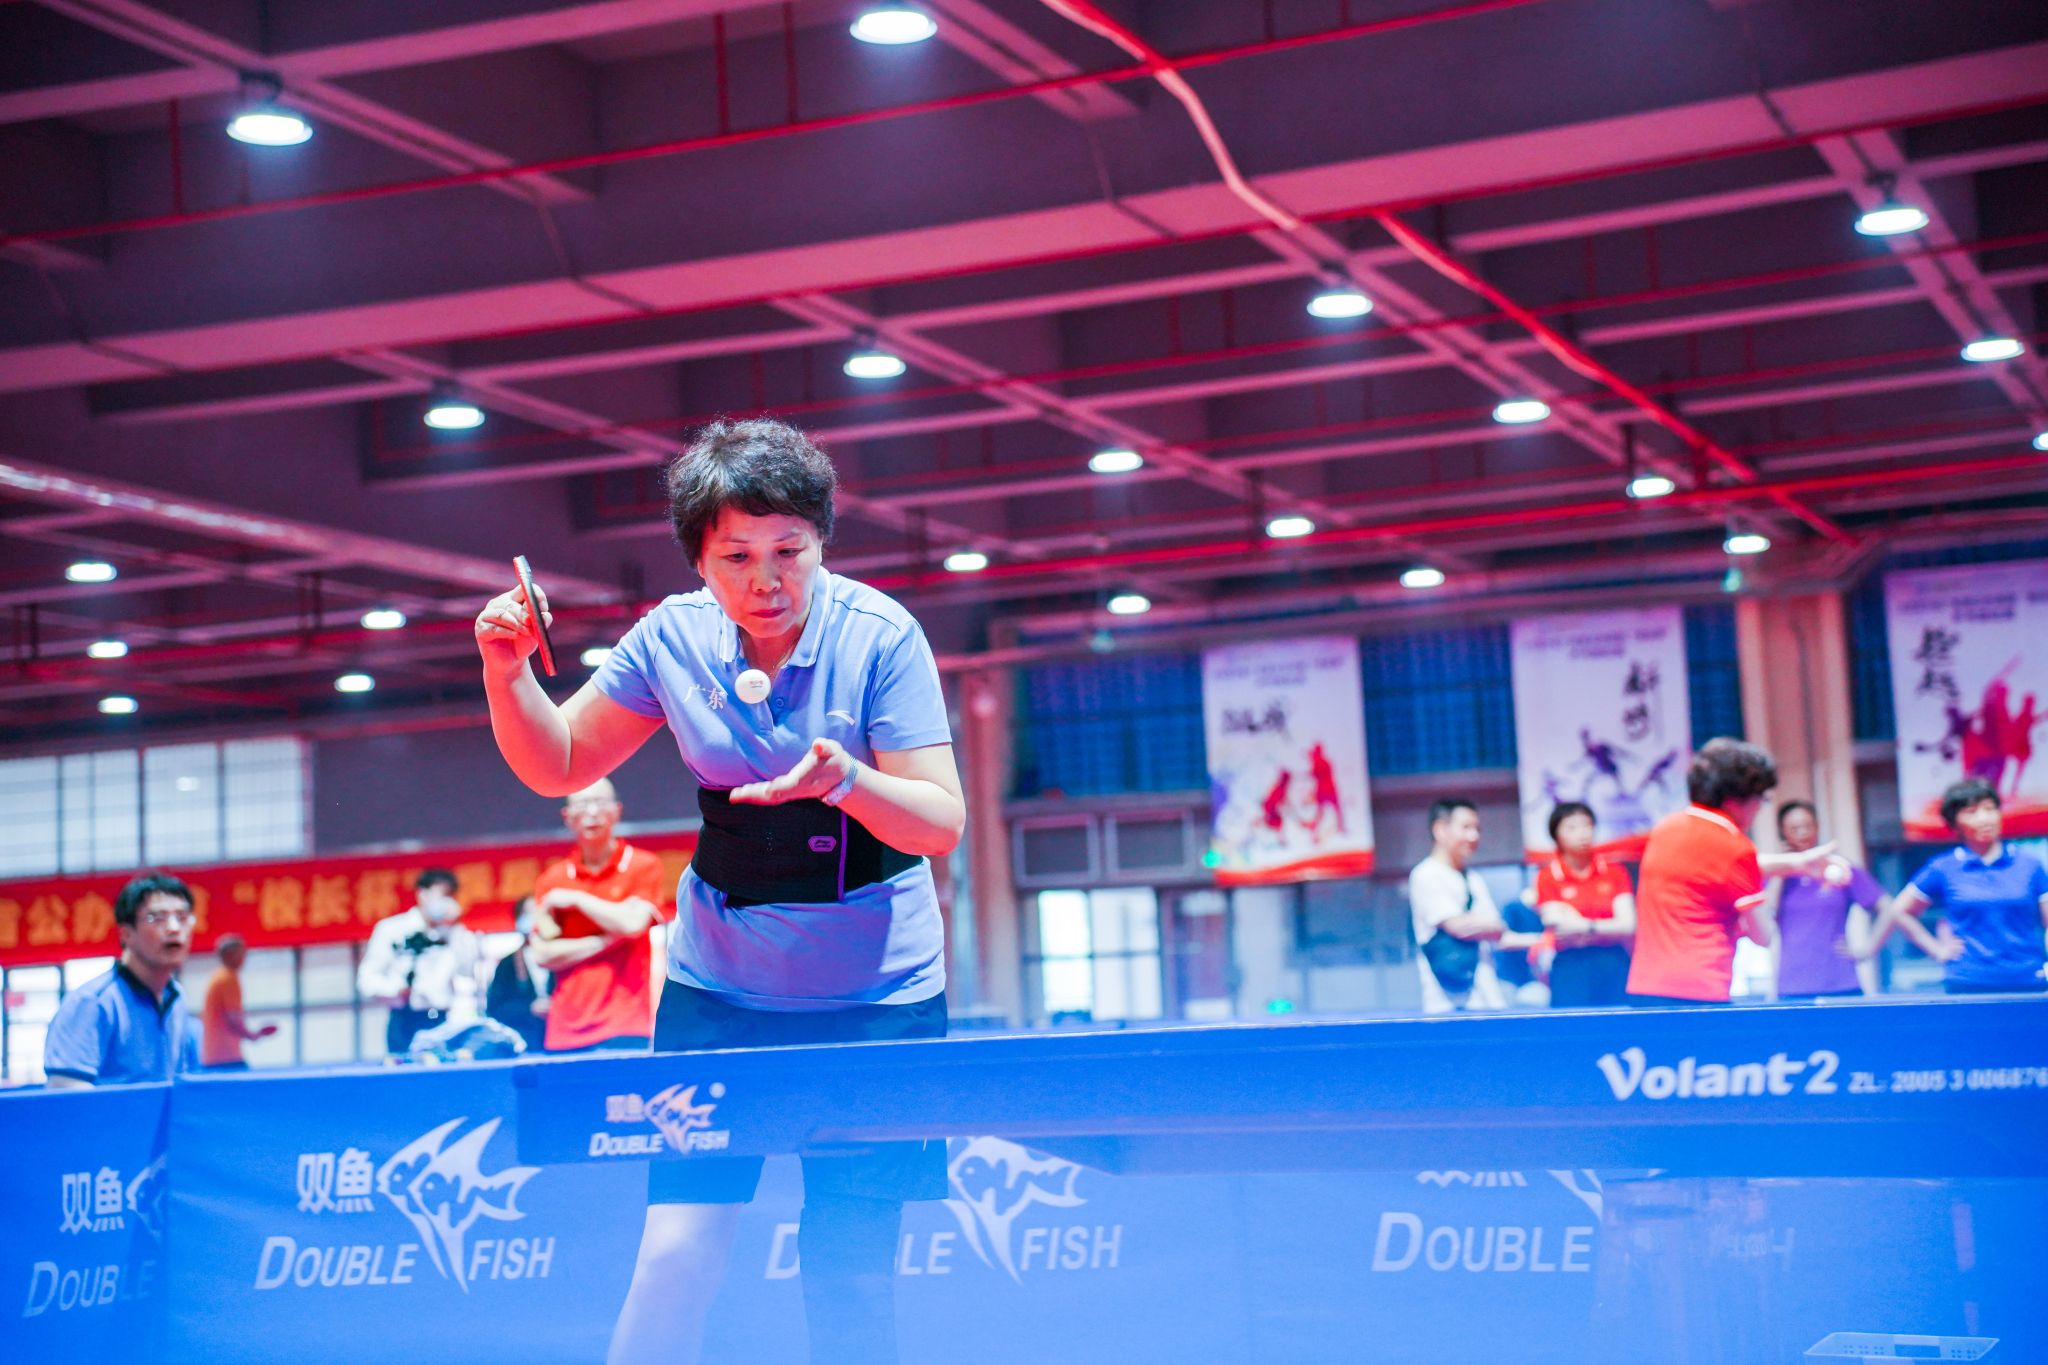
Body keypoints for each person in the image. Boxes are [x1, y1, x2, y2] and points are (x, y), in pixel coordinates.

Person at [474, 418, 964, 1365]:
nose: (767, 579)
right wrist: (506, 673)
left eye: (790, 550)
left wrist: (848, 780)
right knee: (674, 1256)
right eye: (737, 555)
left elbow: (939, 824)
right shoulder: (672, 637)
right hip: (721, 996)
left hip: (878, 1001)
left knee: (851, 1272)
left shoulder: (881, 637)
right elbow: (560, 761)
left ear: (821, 544)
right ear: (699, 561)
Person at [1626, 739, 1840, 1006]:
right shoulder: (1736, 848)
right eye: (1760, 798)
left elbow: (1712, 870)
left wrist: (1797, 863)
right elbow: (1763, 937)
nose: (1760, 808)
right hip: (1701, 990)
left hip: (1645, 987)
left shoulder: (1665, 829)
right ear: (1735, 800)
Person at [1861, 779, 2048, 994]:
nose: (1984, 818)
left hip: (2029, 979)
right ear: (1955, 823)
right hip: (1967, 981)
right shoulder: (1943, 867)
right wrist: (1937, 950)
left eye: (1990, 809)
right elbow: (1898, 911)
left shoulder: (2029, 864)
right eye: (1971, 812)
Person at [526, 779, 672, 1053]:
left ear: (617, 811)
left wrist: (578, 900)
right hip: (564, 1030)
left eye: (600, 803)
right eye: (582, 805)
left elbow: (633, 924)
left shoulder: (642, 865)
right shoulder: (552, 879)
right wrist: (608, 939)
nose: (592, 812)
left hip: (624, 1025)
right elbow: (542, 954)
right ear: (567, 817)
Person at [43, 872, 202, 1088]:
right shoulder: (92, 1003)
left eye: (182, 917)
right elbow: (66, 1092)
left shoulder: (176, 998)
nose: (174, 928)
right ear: (126, 934)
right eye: (156, 918)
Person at [355, 868, 486, 1055]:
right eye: (441, 895)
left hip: (441, 1020)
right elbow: (366, 979)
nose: (446, 902)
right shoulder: (393, 929)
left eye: (450, 896)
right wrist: (395, 990)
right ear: (422, 894)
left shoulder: (455, 933)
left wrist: (456, 928)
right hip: (404, 1018)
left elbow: (468, 971)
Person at [1769, 801, 1889, 1002]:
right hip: (1793, 985)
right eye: (1795, 828)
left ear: (1817, 826)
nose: (1803, 833)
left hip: (1840, 982)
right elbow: (1768, 913)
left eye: (1808, 826)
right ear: (1783, 832)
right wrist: (1783, 868)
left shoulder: (1841, 868)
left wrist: (1866, 950)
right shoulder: (1777, 876)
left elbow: (1888, 908)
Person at [1409, 797, 1512, 1014]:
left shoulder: (1473, 878)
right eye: (1466, 827)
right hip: (1447, 1002)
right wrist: (1491, 926)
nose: (1474, 836)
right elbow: (1458, 927)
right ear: (1440, 830)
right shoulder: (1425, 874)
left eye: (1477, 829)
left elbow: (1498, 932)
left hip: (1487, 996)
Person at [1530, 802, 1635, 1008]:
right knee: (1571, 1025)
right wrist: (1608, 927)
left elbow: (1628, 925)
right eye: (1572, 828)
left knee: (1619, 1023)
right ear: (1556, 835)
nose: (1582, 834)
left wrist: (1584, 925)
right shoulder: (1547, 876)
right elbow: (1557, 925)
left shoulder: (1615, 872)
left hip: (1613, 961)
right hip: (1570, 964)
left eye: (1587, 825)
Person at [199, 933, 277, 1070]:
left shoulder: (217, 977)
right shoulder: (228, 978)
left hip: (213, 1056)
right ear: (229, 955)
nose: (244, 958)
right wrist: (252, 1035)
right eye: (241, 953)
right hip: (226, 1058)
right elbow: (233, 1019)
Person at [484, 897, 551, 1054]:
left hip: (561, 1039)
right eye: (527, 914)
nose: (533, 918)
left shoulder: (565, 958)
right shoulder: (508, 964)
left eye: (537, 913)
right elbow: (496, 1008)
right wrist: (529, 1008)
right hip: (523, 1043)